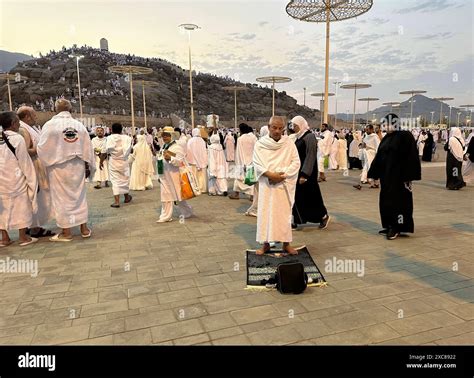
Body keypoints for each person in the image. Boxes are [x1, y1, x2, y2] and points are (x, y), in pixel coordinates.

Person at [37, 99, 95, 241]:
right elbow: (88, 147)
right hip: (78, 165)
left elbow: (42, 148)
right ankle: (84, 229)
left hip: (58, 167)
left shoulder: (50, 125)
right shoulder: (79, 125)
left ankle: (66, 232)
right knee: (79, 196)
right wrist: (88, 165)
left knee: (61, 199)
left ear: (55, 109)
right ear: (71, 109)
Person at [368, 113, 421, 240]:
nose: (386, 126)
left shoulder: (405, 136)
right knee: (386, 201)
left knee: (399, 202)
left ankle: (398, 227)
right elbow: (379, 156)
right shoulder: (386, 138)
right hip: (387, 177)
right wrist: (373, 173)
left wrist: (409, 176)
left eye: (388, 124)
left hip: (400, 178)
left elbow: (412, 156)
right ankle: (389, 225)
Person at [253, 116, 301, 255]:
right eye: (274, 127)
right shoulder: (260, 144)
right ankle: (265, 244)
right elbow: (257, 163)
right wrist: (270, 175)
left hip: (283, 185)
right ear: (268, 127)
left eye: (280, 128)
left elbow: (296, 162)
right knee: (265, 214)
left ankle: (286, 244)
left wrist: (282, 175)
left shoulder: (289, 143)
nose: (277, 131)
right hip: (267, 185)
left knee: (284, 215)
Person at [0, 112, 38, 247]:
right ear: (13, 124)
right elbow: (24, 162)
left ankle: (4, 238)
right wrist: (32, 179)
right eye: (17, 121)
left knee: (2, 208)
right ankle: (23, 237)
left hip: (1, 180)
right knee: (22, 206)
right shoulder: (17, 139)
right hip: (16, 178)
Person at [17, 106, 54, 238]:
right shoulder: (22, 130)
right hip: (32, 167)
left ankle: (35, 225)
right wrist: (41, 149)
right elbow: (25, 151)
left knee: (39, 197)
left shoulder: (29, 128)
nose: (36, 117)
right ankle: (34, 227)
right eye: (34, 115)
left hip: (37, 166)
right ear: (27, 116)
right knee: (35, 197)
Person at [290, 116, 330, 231]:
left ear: (301, 125)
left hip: (307, 173)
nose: (294, 128)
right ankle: (297, 220)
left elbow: (310, 156)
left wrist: (305, 174)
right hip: (299, 171)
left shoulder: (309, 137)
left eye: (296, 126)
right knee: (298, 196)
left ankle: (323, 216)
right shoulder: (299, 137)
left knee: (312, 196)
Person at [156, 127, 193, 223]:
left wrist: (170, 159)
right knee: (166, 195)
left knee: (178, 196)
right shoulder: (164, 147)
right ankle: (165, 216)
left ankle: (187, 211)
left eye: (167, 135)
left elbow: (180, 162)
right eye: (163, 135)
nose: (164, 137)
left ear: (171, 136)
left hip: (174, 175)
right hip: (164, 175)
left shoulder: (177, 147)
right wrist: (159, 175)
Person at [101, 123, 133, 207]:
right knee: (125, 179)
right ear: (121, 129)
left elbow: (104, 152)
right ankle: (126, 197)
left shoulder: (109, 138)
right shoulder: (127, 138)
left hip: (113, 161)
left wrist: (101, 162)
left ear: (111, 129)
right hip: (124, 161)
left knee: (115, 181)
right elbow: (131, 149)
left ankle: (117, 201)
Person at [229, 123, 257, 200]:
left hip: (242, 161)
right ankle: (252, 196)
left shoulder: (240, 139)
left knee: (238, 179)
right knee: (250, 180)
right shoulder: (253, 138)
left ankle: (236, 194)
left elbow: (239, 152)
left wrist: (241, 163)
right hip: (252, 160)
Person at [354, 125, 380, 189]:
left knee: (371, 169)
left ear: (371, 130)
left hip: (372, 154)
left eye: (368, 129)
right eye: (366, 129)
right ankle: (366, 182)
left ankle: (374, 183)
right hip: (366, 154)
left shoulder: (375, 137)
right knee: (366, 168)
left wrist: (377, 155)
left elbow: (378, 146)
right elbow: (364, 145)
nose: (366, 131)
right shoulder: (366, 137)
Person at [186, 128, 208, 193]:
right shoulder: (202, 141)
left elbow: (188, 151)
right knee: (202, 175)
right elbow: (204, 151)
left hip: (193, 162)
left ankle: (196, 188)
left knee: (194, 175)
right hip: (202, 161)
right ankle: (203, 189)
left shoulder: (190, 141)